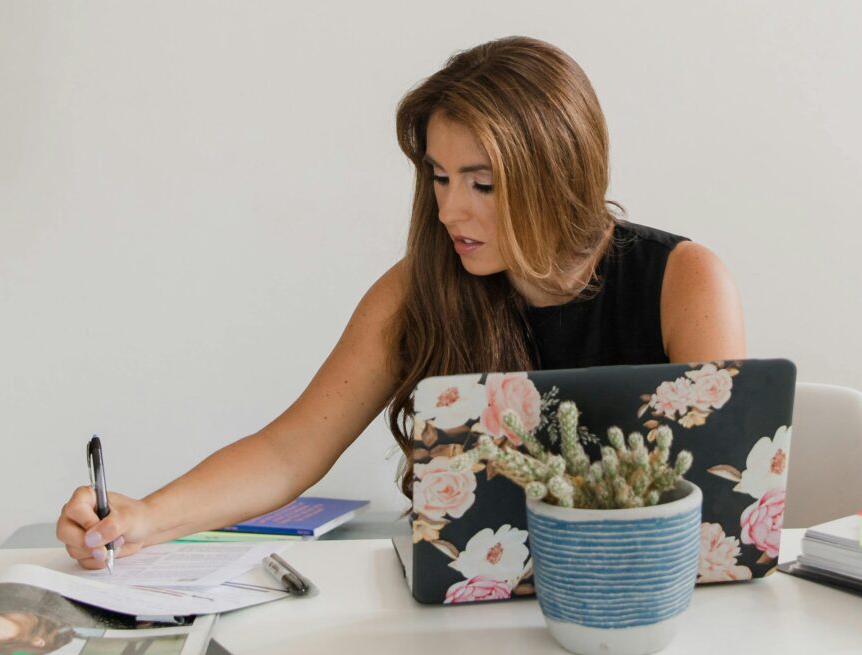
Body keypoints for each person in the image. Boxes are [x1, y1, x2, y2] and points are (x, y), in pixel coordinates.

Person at [54, 37, 746, 566]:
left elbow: (723, 506)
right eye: (440, 177)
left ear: (557, 174)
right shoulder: (419, 289)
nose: (449, 209)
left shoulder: (685, 281)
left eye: (481, 183)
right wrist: (143, 517)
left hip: (648, 610)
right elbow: (289, 449)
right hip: (470, 629)